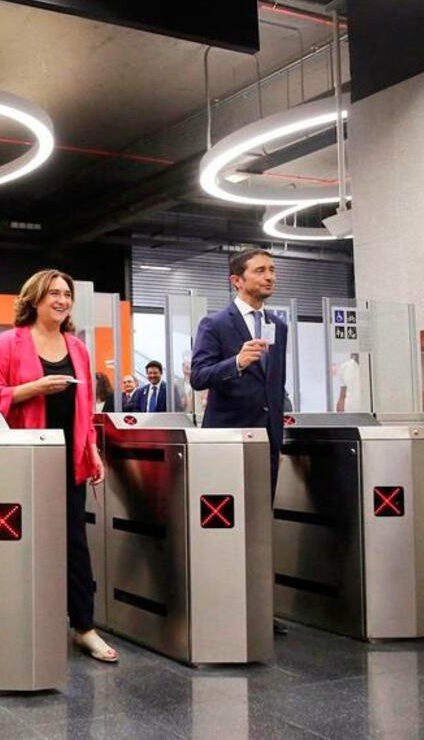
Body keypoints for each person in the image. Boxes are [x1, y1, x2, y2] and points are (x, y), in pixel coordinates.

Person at [0, 269, 115, 664]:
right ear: (35, 299)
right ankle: (19, 619)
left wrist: (92, 449)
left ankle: (84, 627)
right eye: (54, 293)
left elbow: (85, 407)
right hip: (24, 459)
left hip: (68, 460)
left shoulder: (77, 348)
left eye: (67, 294)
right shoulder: (10, 343)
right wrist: (34, 389)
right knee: (21, 541)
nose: (62, 300)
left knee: (75, 543)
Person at [189, 248, 288, 635]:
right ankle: (220, 606)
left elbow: (275, 382)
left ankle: (259, 609)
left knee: (260, 527)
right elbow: (199, 376)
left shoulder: (278, 325)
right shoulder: (215, 324)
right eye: (260, 270)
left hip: (267, 440)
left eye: (272, 270)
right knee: (223, 526)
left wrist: (279, 431)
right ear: (237, 280)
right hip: (227, 439)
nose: (269, 276)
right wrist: (237, 363)